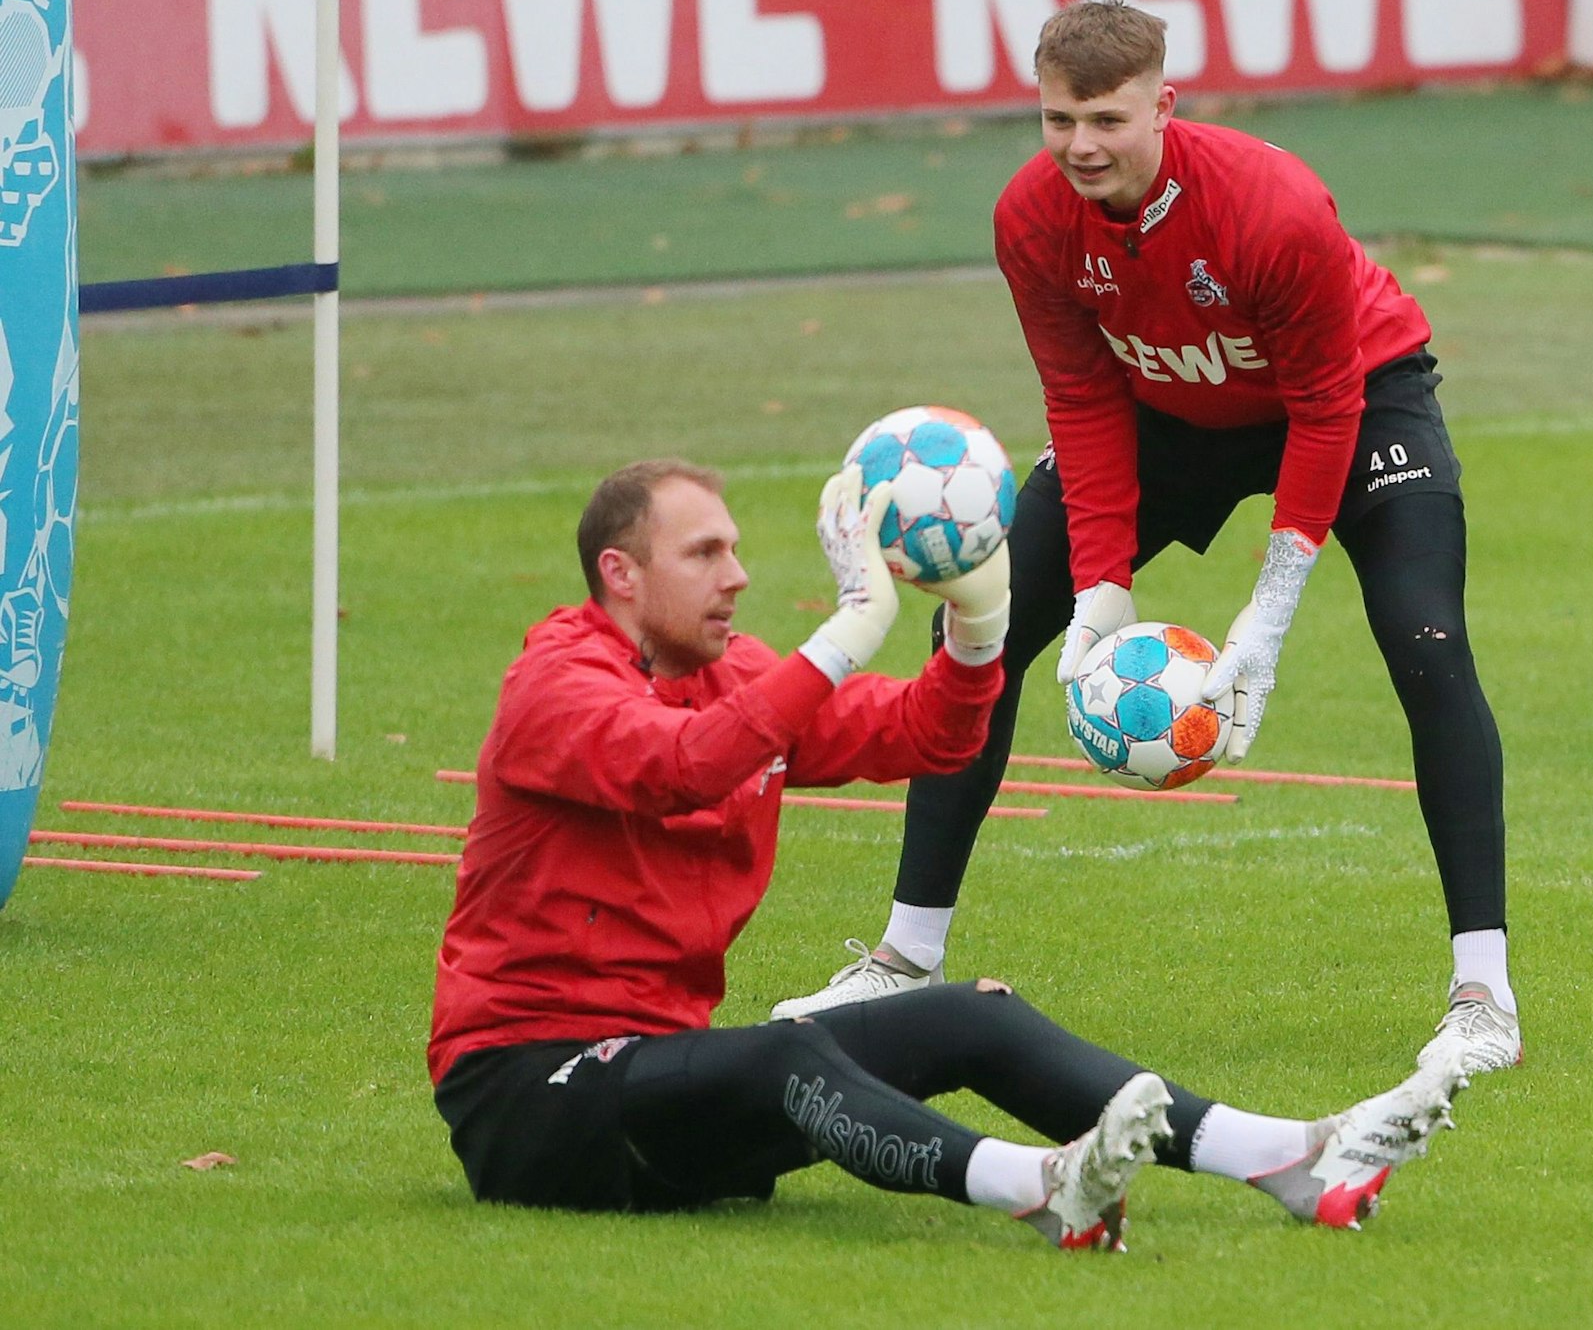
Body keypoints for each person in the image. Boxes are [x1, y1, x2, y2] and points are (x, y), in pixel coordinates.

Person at [428, 457, 1461, 1246]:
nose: (736, 576)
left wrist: (977, 631)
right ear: (618, 573)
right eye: (704, 554)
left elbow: (920, 736)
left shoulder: (729, 675)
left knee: (970, 1016)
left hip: (660, 1083)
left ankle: (1286, 1160)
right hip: (527, 1099)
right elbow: (683, 767)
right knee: (794, 1047)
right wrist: (840, 633)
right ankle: (1042, 1189)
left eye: (735, 549)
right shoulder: (552, 688)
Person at [774, 0, 1521, 1077]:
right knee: (977, 629)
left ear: (1162, 106)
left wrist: (1266, 612)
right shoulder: (1029, 217)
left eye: (1106, 121)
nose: (1079, 145)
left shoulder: (1273, 208)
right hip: (1161, 411)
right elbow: (1079, 402)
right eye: (1056, 119)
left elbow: (1321, 408)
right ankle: (902, 960)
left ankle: (1481, 995)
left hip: (1354, 399)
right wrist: (1099, 591)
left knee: (1426, 643)